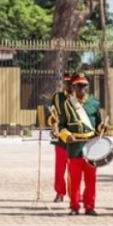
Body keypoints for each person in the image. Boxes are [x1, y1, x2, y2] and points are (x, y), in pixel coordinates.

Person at [57, 73, 103, 215]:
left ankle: (90, 206)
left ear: (88, 87)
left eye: (84, 85)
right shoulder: (67, 104)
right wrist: (67, 136)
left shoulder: (94, 103)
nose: (81, 88)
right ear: (73, 87)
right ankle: (74, 206)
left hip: (90, 145)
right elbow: (61, 126)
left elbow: (98, 125)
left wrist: (102, 128)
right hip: (74, 146)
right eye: (78, 85)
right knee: (74, 179)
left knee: (91, 179)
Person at [49, 72, 73, 202]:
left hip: (75, 137)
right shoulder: (57, 97)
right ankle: (60, 192)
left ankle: (75, 193)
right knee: (60, 168)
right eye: (67, 82)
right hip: (60, 137)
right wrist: (51, 121)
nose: (68, 84)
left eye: (71, 82)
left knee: (74, 168)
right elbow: (52, 113)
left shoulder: (79, 97)